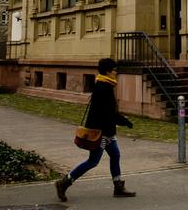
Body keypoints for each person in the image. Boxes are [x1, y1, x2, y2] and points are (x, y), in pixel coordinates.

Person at [56, 57, 135, 200]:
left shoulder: (104, 84)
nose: (116, 73)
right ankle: (64, 182)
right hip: (100, 132)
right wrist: (125, 121)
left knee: (115, 155)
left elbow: (109, 112)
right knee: (93, 161)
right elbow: (109, 112)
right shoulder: (103, 87)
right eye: (114, 70)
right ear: (108, 71)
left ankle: (118, 187)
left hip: (107, 131)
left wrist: (121, 121)